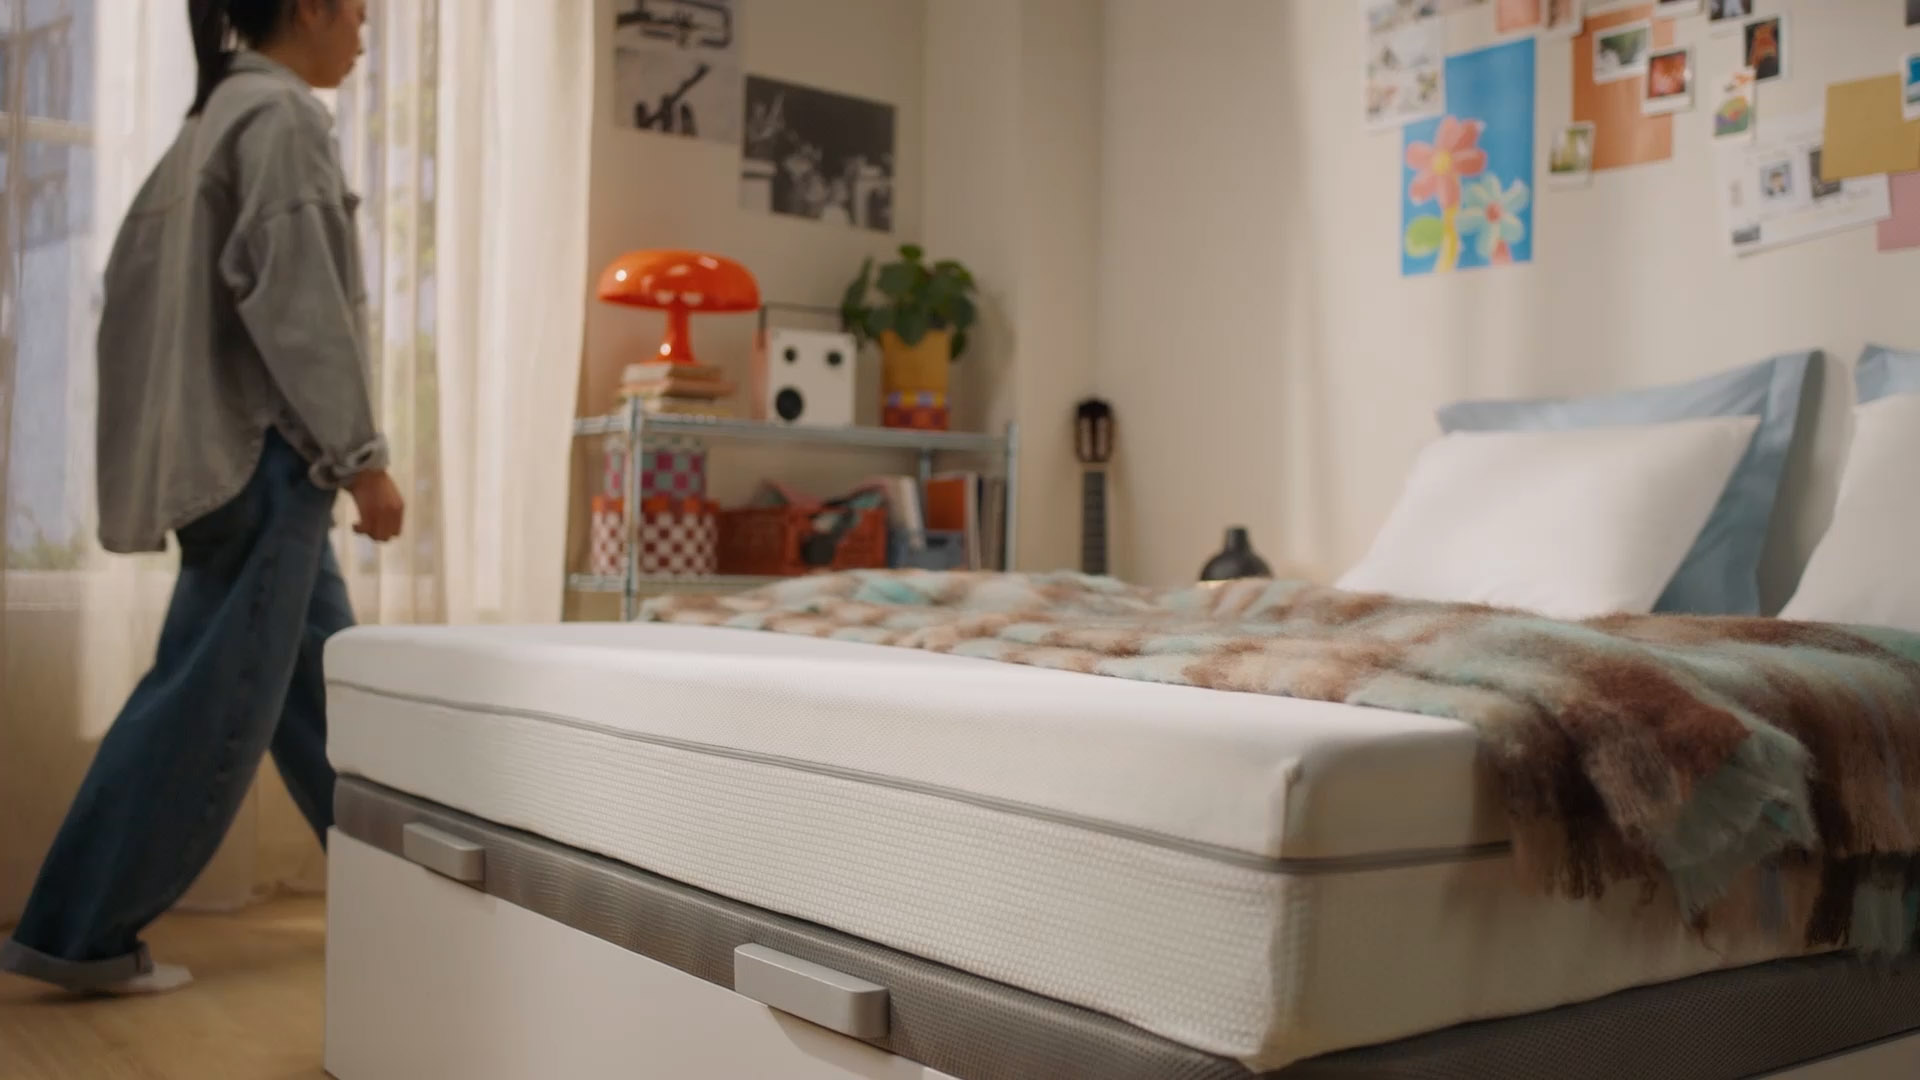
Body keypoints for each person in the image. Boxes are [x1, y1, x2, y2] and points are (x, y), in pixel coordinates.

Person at [0, 0, 396, 995]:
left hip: (228, 462)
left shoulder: (210, 124)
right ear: (308, 8)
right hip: (267, 464)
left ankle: (405, 899)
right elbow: (301, 304)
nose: (364, 26)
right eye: (357, 7)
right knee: (202, 708)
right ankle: (77, 935)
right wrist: (363, 457)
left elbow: (135, 308)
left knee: (326, 701)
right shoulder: (280, 118)